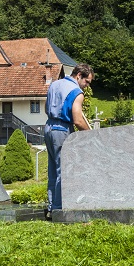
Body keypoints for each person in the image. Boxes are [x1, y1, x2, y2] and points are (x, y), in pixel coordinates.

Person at [44, 63, 94, 215]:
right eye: (87, 82)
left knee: (53, 170)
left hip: (49, 127)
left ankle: (52, 207)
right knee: (63, 170)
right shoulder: (76, 92)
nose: (87, 86)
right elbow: (78, 120)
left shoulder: (55, 84)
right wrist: (92, 135)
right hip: (62, 129)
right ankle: (60, 209)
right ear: (79, 75)